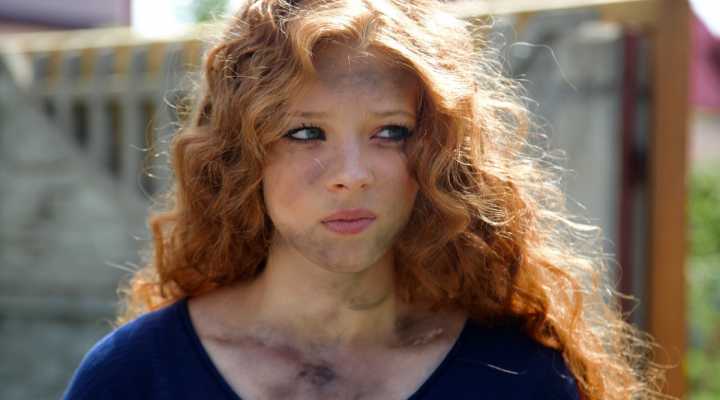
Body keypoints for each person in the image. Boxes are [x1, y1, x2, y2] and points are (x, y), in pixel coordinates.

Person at [62, 0, 664, 399]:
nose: (351, 175)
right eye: (305, 133)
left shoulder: (521, 378)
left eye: (390, 132)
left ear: (438, 154)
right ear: (241, 157)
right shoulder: (135, 377)